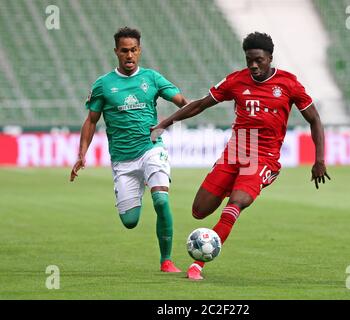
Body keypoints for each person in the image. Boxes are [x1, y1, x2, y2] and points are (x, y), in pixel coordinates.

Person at [151, 32, 331, 280]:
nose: (254, 65)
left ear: (269, 58)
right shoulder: (236, 80)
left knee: (236, 203)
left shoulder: (289, 84)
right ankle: (232, 187)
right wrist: (166, 122)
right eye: (249, 60)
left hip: (263, 156)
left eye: (258, 60)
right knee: (199, 211)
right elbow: (201, 104)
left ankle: (198, 265)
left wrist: (319, 159)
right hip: (236, 150)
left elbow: (315, 119)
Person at [70, 27, 188, 273]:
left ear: (140, 50)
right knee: (130, 221)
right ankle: (139, 187)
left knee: (161, 199)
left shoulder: (152, 78)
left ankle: (166, 261)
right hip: (123, 160)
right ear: (116, 52)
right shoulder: (103, 85)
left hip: (151, 148)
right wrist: (82, 154)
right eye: (124, 51)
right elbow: (91, 120)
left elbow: (183, 103)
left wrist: (167, 122)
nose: (129, 55)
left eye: (134, 50)